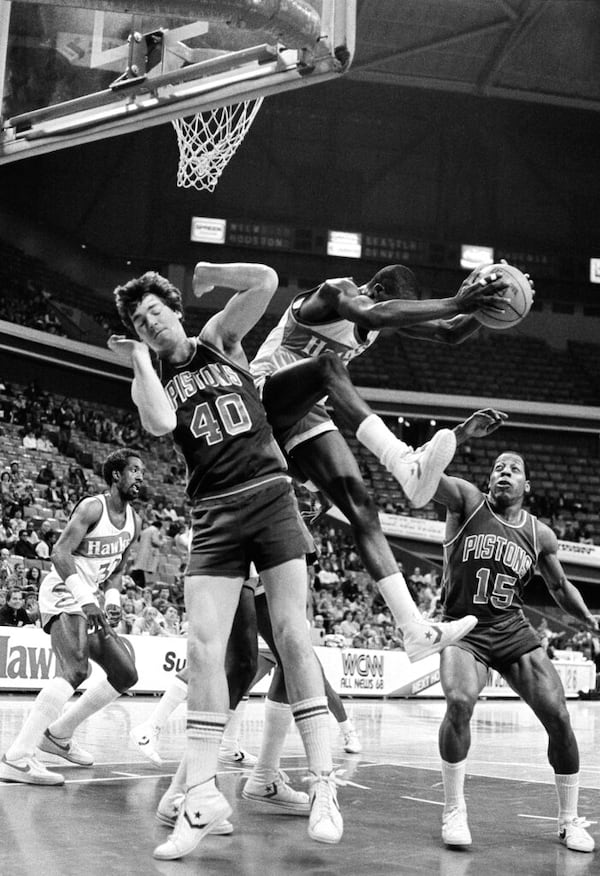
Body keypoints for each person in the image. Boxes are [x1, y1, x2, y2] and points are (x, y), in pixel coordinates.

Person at [110, 263, 347, 859]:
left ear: (175, 307)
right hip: (213, 513)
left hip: (270, 494)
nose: (151, 320)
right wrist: (140, 357)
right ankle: (200, 798)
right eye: (140, 320)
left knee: (294, 639)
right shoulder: (153, 377)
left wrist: (210, 273)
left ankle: (323, 784)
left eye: (156, 310)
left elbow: (266, 282)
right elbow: (162, 422)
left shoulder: (219, 338)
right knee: (201, 650)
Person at [249, 261, 513, 659]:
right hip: (264, 396)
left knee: (363, 509)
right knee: (329, 367)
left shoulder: (378, 315)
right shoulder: (334, 290)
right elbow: (373, 314)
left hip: (306, 415)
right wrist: (457, 300)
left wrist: (487, 302)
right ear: (373, 288)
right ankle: (403, 462)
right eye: (390, 306)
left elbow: (450, 332)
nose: (390, 320)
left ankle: (413, 629)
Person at [432, 450, 598, 853]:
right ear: (489, 481)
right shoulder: (467, 503)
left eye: (514, 469)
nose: (504, 472)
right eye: (498, 468)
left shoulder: (539, 534)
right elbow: (425, 477)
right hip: (464, 627)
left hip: (510, 629)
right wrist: (458, 439)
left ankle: (568, 819)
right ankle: (454, 809)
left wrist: (591, 621)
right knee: (458, 701)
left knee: (559, 716)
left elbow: (559, 588)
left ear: (527, 486)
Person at [0, 448, 143, 786]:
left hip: (90, 597)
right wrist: (85, 597)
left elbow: (117, 570)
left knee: (125, 673)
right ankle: (17, 757)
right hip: (64, 592)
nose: (139, 477)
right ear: (116, 476)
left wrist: (110, 598)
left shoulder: (134, 520)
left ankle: (59, 735)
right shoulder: (93, 507)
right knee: (76, 668)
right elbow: (59, 553)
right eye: (134, 471)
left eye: (141, 472)